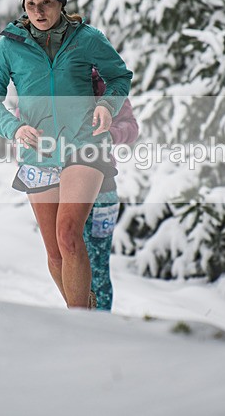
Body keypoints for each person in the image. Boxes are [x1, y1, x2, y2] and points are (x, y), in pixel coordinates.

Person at [0, 0, 132, 309]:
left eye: (45, 2)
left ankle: (80, 324)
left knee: (68, 235)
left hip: (85, 146)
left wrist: (107, 105)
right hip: (40, 153)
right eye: (30, 4)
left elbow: (120, 77)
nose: (38, 11)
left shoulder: (87, 38)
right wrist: (13, 128)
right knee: (54, 251)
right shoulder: (9, 47)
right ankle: (82, 310)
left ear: (60, 0)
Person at [83, 67, 139, 311]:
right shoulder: (51, 78)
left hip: (103, 187)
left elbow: (131, 126)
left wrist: (110, 134)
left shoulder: (106, 83)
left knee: (98, 266)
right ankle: (77, 322)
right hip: (61, 184)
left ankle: (100, 325)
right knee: (70, 262)